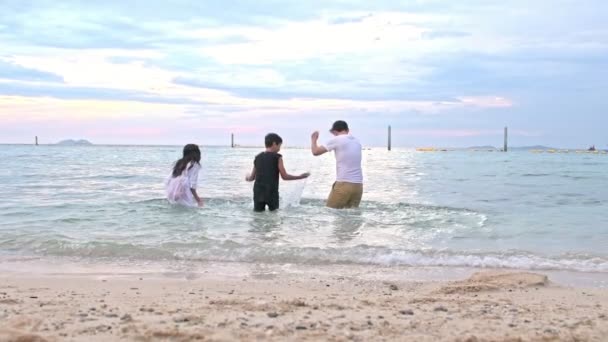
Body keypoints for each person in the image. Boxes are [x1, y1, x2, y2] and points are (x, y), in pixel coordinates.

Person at [246, 133, 310, 212]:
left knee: (258, 217)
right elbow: (285, 176)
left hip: (258, 192)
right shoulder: (278, 157)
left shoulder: (257, 157)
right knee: (274, 217)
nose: (279, 148)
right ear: (274, 144)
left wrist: (247, 177)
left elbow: (251, 178)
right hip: (271, 192)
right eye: (279, 145)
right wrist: (300, 176)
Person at [310, 120, 363, 209]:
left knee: (330, 211)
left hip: (344, 184)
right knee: (351, 217)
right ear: (347, 129)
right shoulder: (357, 141)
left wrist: (313, 139)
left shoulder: (337, 139)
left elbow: (315, 152)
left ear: (334, 131)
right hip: (358, 186)